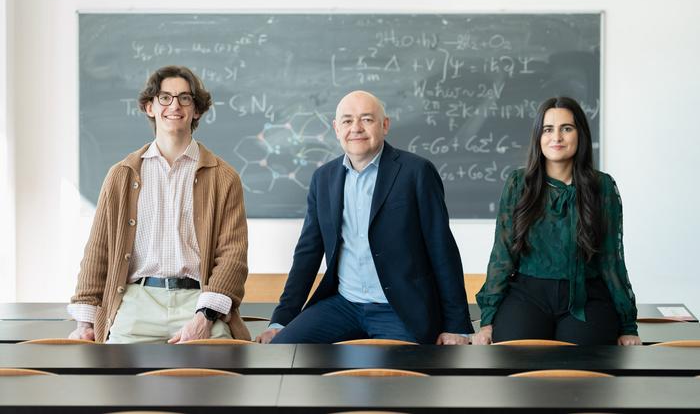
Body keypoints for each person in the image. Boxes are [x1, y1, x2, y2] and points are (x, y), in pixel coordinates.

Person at [256, 90, 473, 345]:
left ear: (385, 125)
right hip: (343, 305)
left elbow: (442, 249)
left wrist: (457, 326)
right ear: (336, 128)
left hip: (398, 309)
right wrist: (281, 320)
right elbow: (307, 253)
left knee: (404, 378)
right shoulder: (324, 179)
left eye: (367, 119)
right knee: (282, 348)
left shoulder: (416, 172)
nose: (356, 128)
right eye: (347, 121)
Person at [68, 65, 250, 343]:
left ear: (197, 109)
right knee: (117, 383)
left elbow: (232, 256)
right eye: (164, 97)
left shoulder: (223, 177)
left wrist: (204, 317)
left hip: (199, 302)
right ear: (149, 107)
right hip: (136, 303)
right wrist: (85, 321)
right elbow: (99, 248)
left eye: (184, 98)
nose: (174, 105)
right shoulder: (122, 174)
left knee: (216, 380)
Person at [473, 96, 640, 346]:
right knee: (514, 361)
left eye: (567, 129)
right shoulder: (519, 183)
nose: (557, 138)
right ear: (538, 137)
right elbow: (502, 254)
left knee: (581, 373)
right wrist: (487, 321)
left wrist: (628, 326)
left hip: (586, 297)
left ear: (580, 134)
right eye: (548, 129)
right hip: (527, 295)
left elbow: (612, 259)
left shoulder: (602, 186)